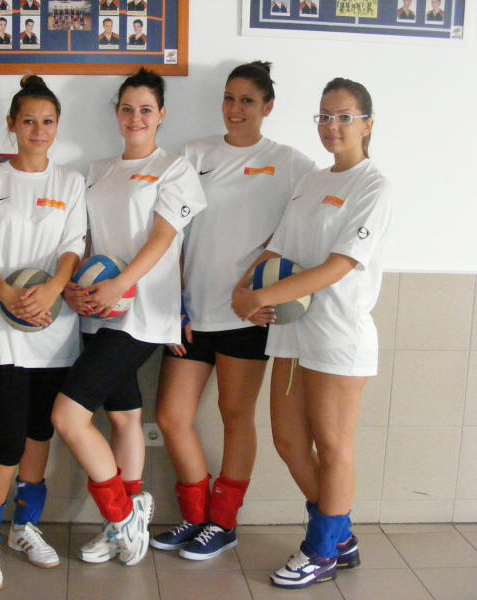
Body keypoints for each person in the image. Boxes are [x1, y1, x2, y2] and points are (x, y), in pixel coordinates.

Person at [150, 61, 315, 562]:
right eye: (229, 98)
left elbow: (305, 234)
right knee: (172, 417)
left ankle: (223, 522)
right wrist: (173, 304)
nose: (235, 109)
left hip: (247, 316)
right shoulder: (194, 154)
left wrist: (274, 295)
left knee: (235, 416)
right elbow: (173, 234)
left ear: (267, 107)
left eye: (247, 100)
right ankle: (196, 514)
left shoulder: (291, 162)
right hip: (192, 313)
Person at [231, 77, 390, 589]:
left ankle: (322, 549)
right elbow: (279, 248)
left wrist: (263, 298)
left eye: (344, 117)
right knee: (289, 440)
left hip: (337, 336)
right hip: (292, 331)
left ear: (367, 124)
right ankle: (340, 533)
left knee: (334, 445)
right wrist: (244, 288)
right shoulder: (312, 181)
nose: (332, 126)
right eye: (324, 116)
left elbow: (339, 266)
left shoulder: (373, 186)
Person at [52, 68, 205, 568]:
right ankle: (129, 514)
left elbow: (163, 238)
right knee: (123, 416)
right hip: (98, 309)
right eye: (127, 109)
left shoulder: (174, 169)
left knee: (67, 416)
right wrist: (74, 288)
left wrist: (122, 285)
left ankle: (120, 517)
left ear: (162, 115)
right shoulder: (97, 169)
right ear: (116, 113)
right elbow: (85, 238)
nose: (135, 118)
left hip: (142, 313)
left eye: (146, 110)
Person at [0, 75, 86, 592]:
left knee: (40, 432)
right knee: (9, 439)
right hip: (7, 327)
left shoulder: (71, 182)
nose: (38, 130)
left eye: (48, 121)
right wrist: (6, 294)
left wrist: (55, 287)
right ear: (12, 125)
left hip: (55, 327)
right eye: (29, 121)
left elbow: (73, 244)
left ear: (58, 126)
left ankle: (25, 527)